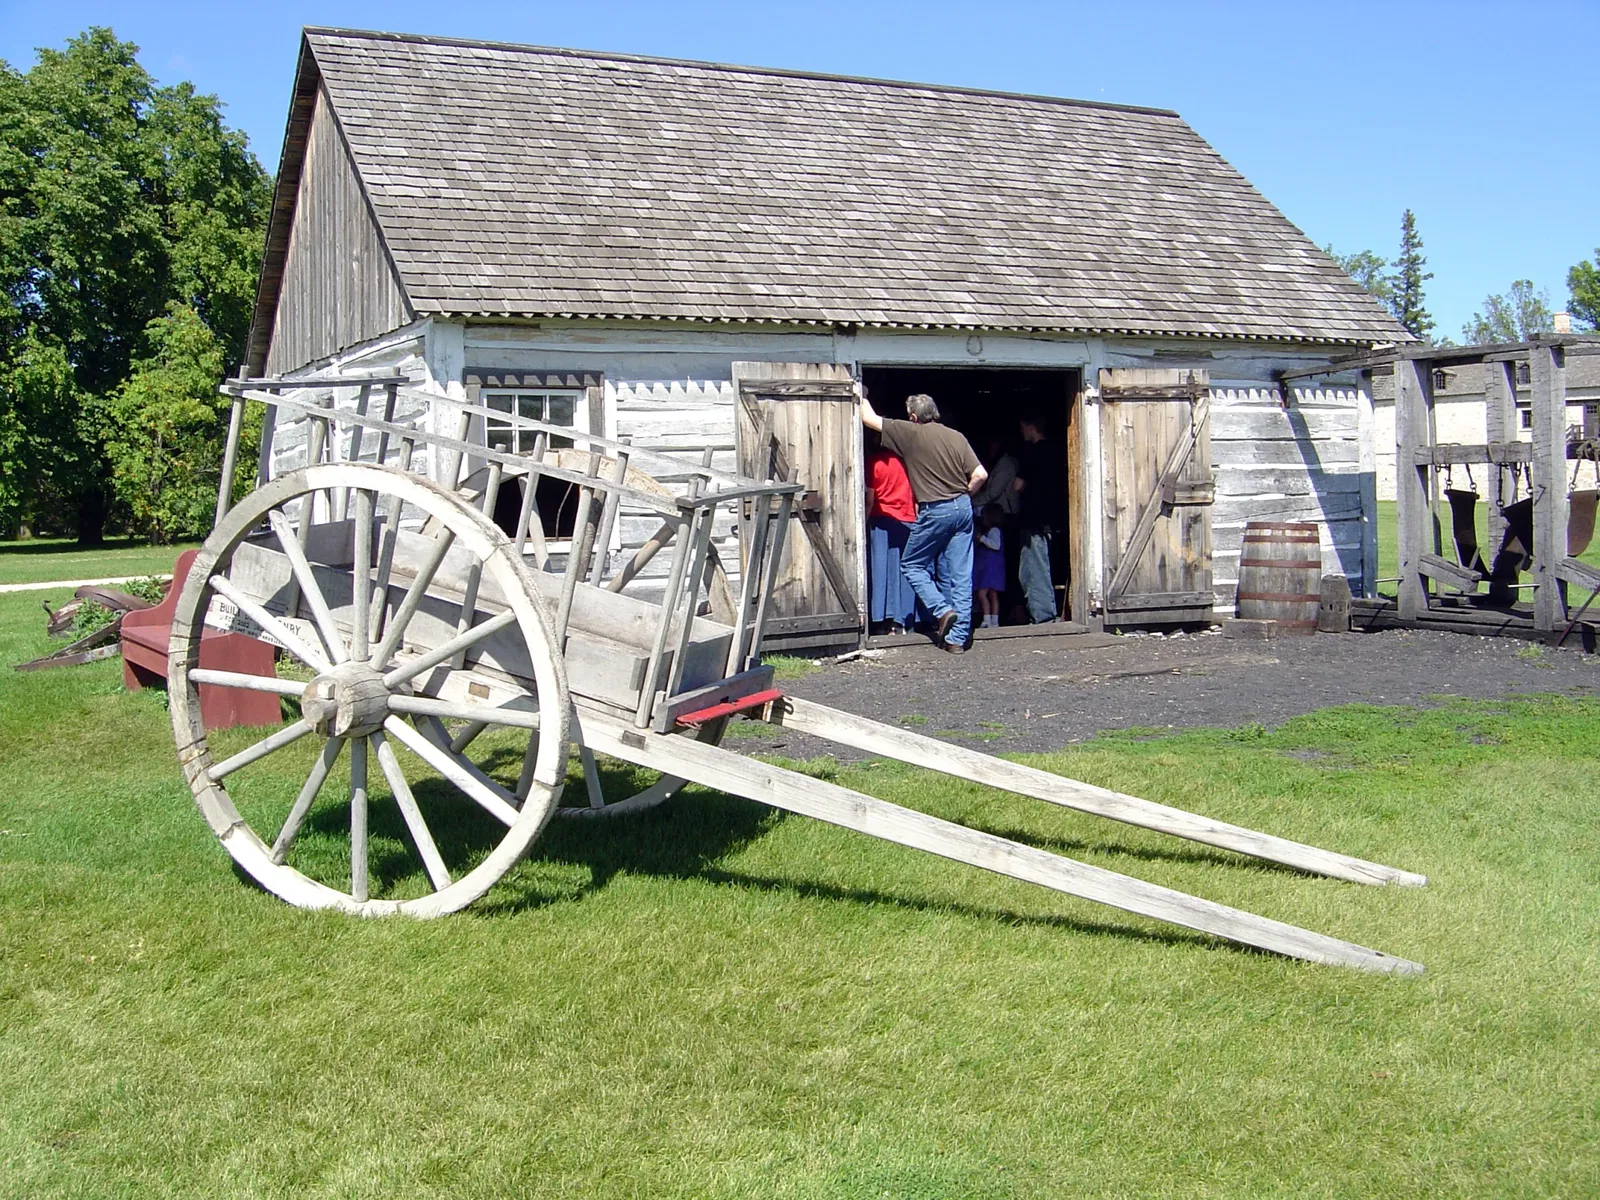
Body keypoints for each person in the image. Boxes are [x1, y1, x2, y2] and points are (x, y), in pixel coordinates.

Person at [860, 389, 987, 653]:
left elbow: (868, 417)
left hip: (935, 508)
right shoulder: (956, 436)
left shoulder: (910, 432)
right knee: (960, 575)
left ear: (914, 416)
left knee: (912, 564)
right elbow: (980, 474)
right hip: (963, 507)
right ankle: (957, 639)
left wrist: (859, 391)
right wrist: (964, 494)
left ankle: (942, 611)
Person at [864, 429, 917, 634]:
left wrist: (865, 522)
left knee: (881, 569)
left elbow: (870, 499)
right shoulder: (907, 464)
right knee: (905, 570)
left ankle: (881, 619)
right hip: (907, 519)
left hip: (882, 518)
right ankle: (903, 618)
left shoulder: (875, 464)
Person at [1013, 412, 1063, 624]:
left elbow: (1017, 485)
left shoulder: (1032, 453)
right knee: (1043, 565)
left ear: (1030, 426)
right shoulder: (1056, 451)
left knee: (1034, 570)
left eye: (1022, 427)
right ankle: (1045, 612)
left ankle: (1043, 616)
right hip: (1052, 516)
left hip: (1034, 517)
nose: (1021, 432)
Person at [973, 502, 1005, 629]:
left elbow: (996, 545)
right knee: (992, 594)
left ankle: (987, 619)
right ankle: (994, 620)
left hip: (990, 568)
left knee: (982, 594)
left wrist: (981, 539)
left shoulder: (994, 531)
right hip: (992, 567)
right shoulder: (995, 530)